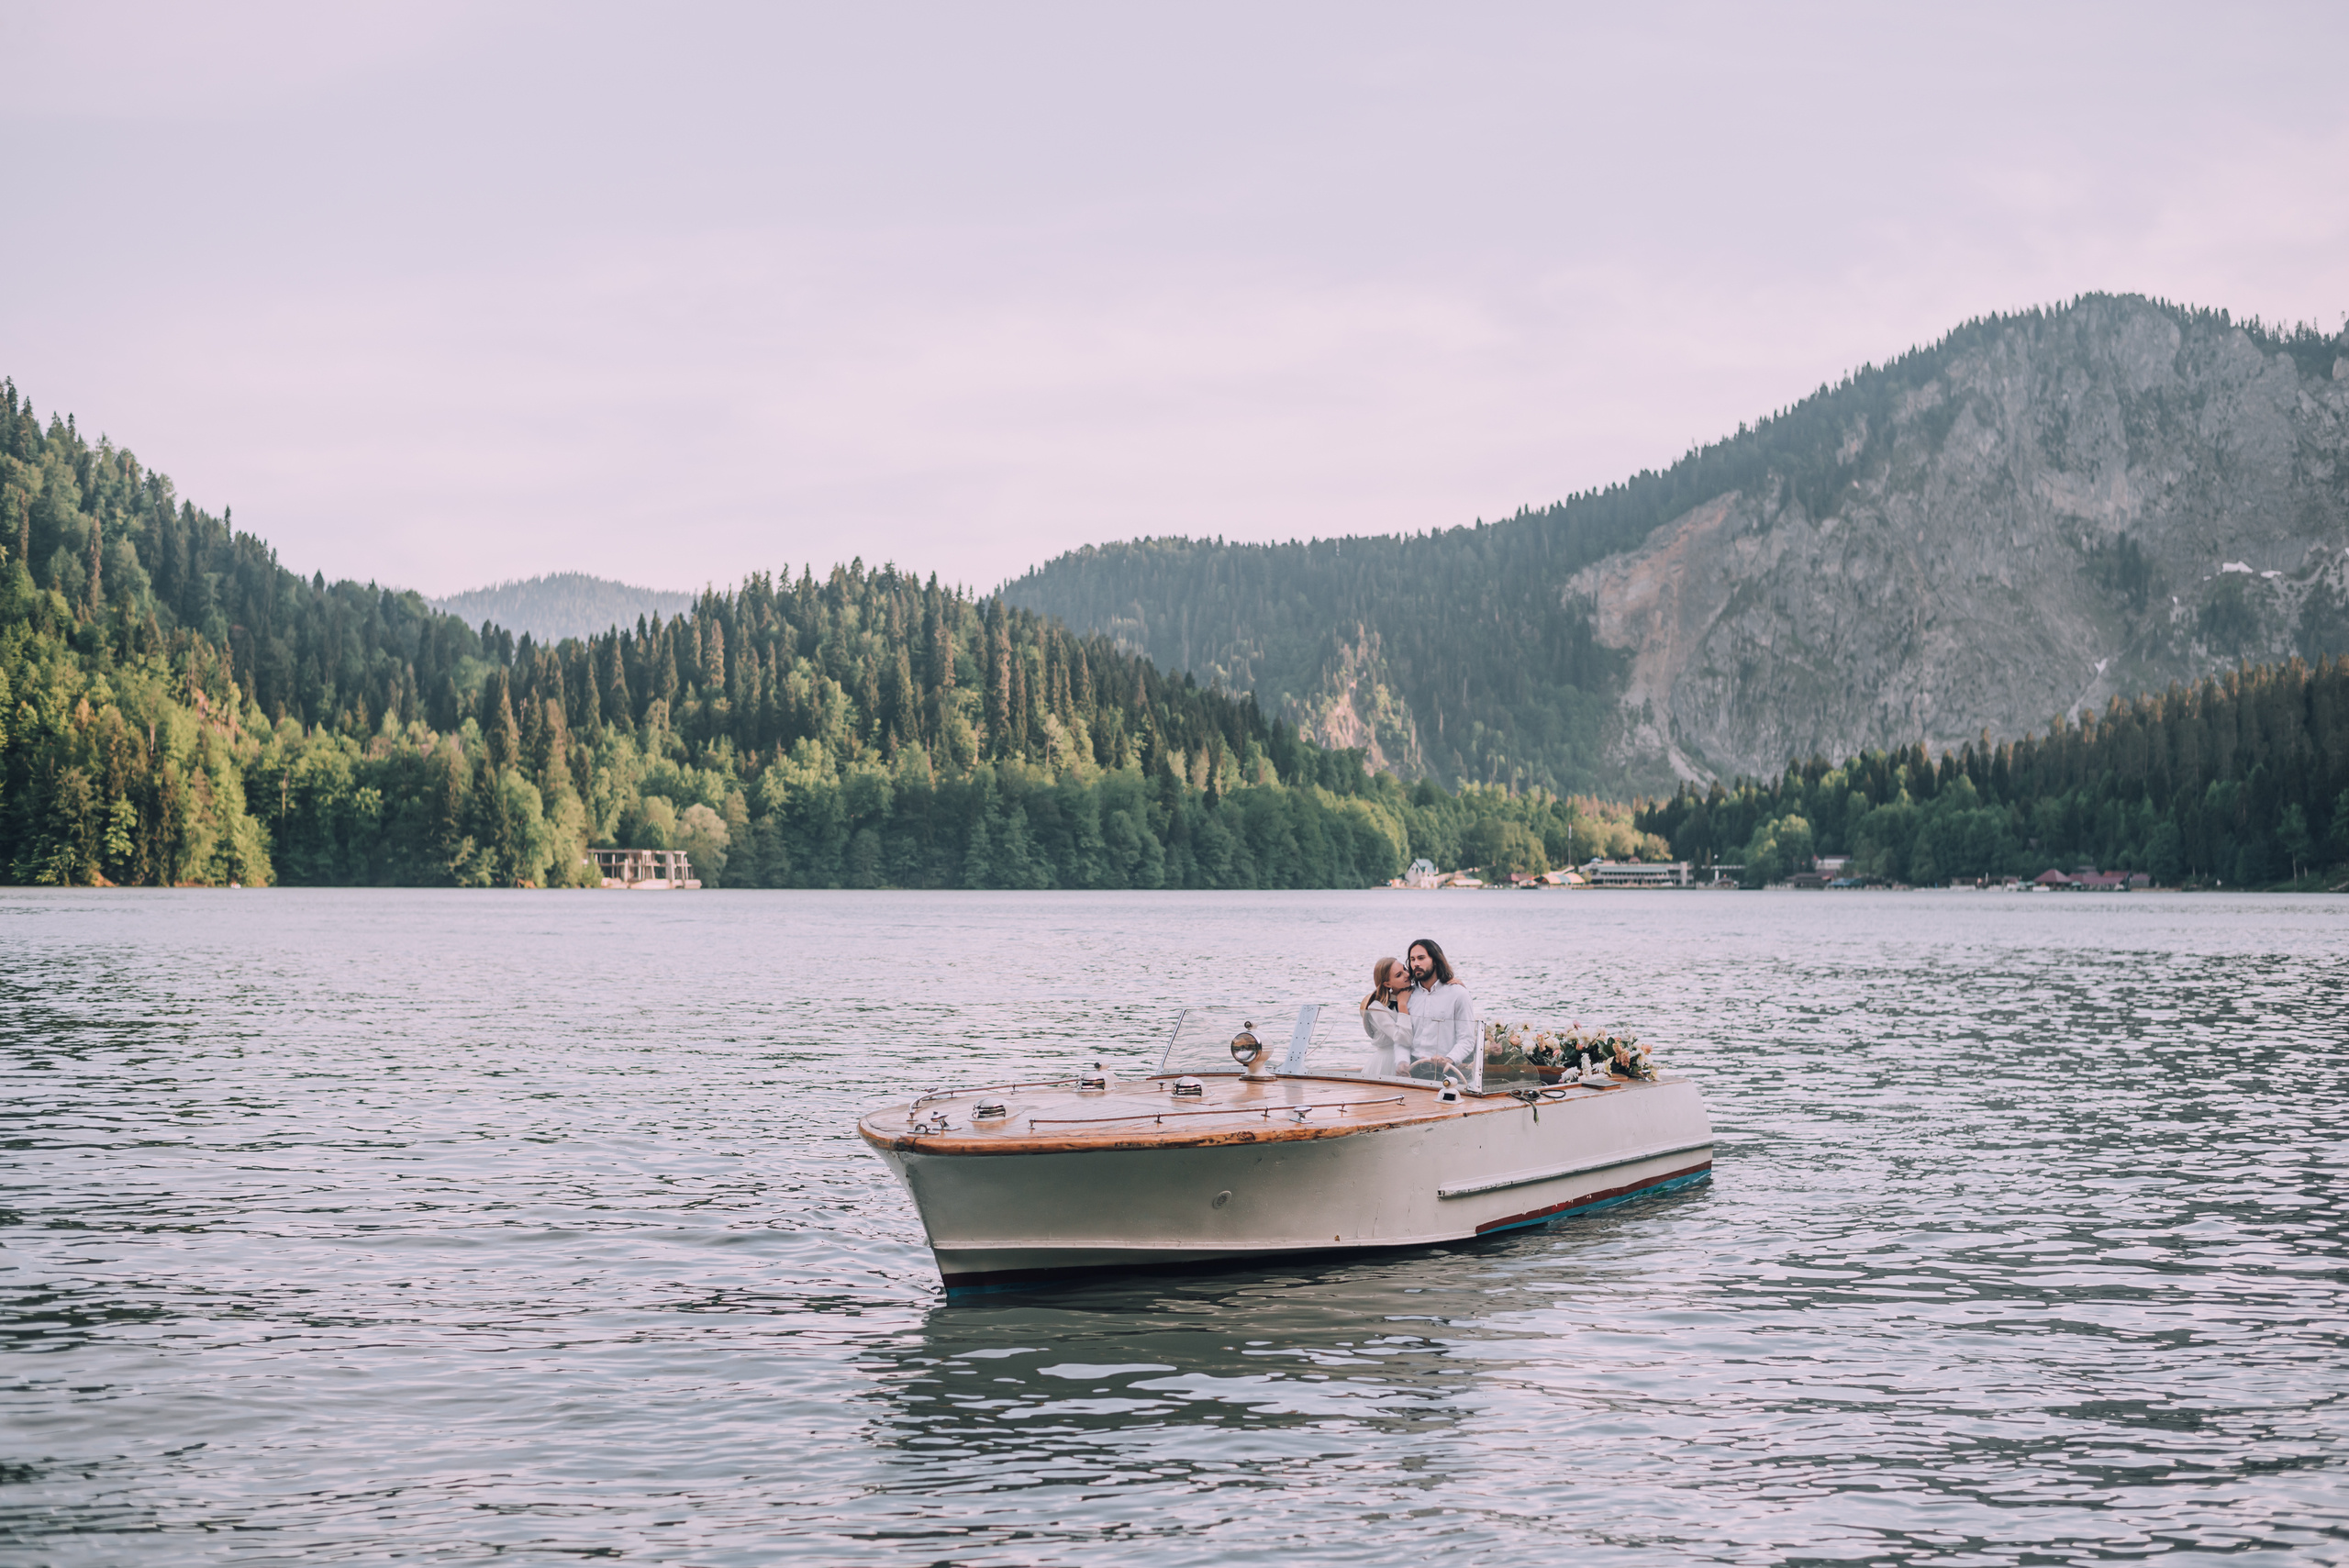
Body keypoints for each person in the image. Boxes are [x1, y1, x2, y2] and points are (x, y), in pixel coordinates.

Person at [1403, 938, 1474, 1081]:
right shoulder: (1407, 996)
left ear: (1435, 960)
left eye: (1421, 958)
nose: (1416, 963)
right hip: (1410, 1071)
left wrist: (1449, 1059)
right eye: (1412, 959)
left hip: (1446, 1072)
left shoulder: (1458, 994)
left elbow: (1467, 1039)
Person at [1359, 956, 1411, 1074]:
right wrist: (1402, 1004)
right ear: (1387, 984)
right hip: (1388, 1063)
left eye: (1405, 969)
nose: (1407, 975)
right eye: (1399, 975)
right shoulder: (1377, 1007)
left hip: (1415, 1059)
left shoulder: (1417, 995)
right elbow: (1403, 1039)